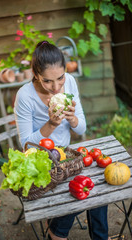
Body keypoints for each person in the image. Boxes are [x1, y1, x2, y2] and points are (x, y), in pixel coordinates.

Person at [14, 41, 109, 240]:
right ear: (36, 74)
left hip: (68, 155)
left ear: (65, 71)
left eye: (60, 78)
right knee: (79, 197)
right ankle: (56, 233)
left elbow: (81, 127)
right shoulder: (24, 96)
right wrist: (51, 124)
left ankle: (98, 237)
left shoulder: (71, 82)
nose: (56, 87)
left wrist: (73, 118)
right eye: (47, 81)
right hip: (41, 162)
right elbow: (25, 146)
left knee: (99, 191)